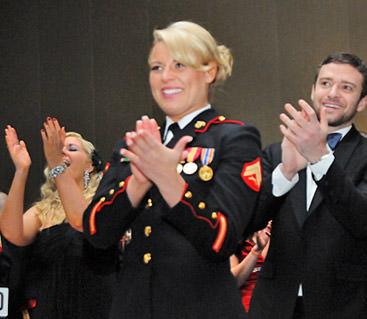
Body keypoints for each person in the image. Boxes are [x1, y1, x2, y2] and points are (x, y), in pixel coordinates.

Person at [83, 21, 262, 319]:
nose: (166, 77)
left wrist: (168, 179)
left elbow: (222, 239)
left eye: (179, 65)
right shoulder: (133, 144)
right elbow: (95, 233)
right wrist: (137, 184)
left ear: (209, 71)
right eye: (156, 67)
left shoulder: (234, 138)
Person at [248, 52, 367, 319]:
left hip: (344, 305)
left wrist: (319, 158)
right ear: (313, 90)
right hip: (274, 304)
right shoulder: (276, 153)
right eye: (326, 83)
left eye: (346, 87)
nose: (333, 93)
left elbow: (363, 219)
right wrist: (286, 172)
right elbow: (249, 220)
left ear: (362, 102)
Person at [0, 120, 118, 319]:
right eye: (59, 150)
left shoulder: (103, 201)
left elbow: (81, 220)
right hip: (50, 307)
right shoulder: (44, 208)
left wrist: (56, 164)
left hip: (95, 306)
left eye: (71, 148)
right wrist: (21, 170)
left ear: (90, 165)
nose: (62, 153)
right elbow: (12, 235)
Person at [230, 221, 271, 311]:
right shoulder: (238, 239)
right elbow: (233, 282)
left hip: (274, 305)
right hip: (246, 307)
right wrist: (256, 250)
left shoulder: (284, 239)